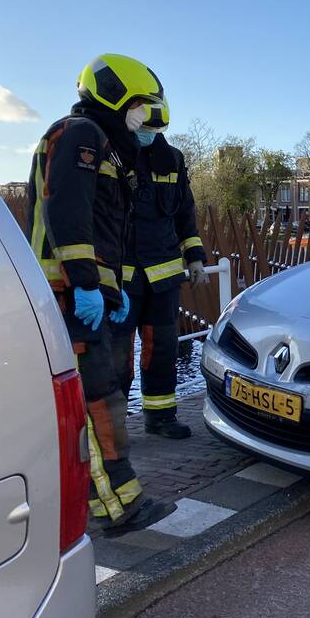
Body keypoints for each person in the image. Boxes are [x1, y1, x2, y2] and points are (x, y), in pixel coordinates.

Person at [26, 53, 176, 536]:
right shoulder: (81, 135)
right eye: (141, 112)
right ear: (113, 98)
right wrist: (87, 284)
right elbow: (68, 214)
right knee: (95, 403)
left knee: (101, 397)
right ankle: (117, 507)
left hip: (87, 294)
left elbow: (108, 227)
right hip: (69, 295)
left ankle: (109, 498)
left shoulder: (109, 149)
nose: (146, 126)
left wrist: (111, 287)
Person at [111, 100, 208, 439]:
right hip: (122, 278)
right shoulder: (113, 156)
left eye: (155, 130)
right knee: (117, 356)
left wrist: (194, 256)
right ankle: (114, 426)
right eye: (144, 129)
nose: (149, 135)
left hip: (163, 276)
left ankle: (161, 417)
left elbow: (185, 212)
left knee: (162, 349)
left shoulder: (173, 160)